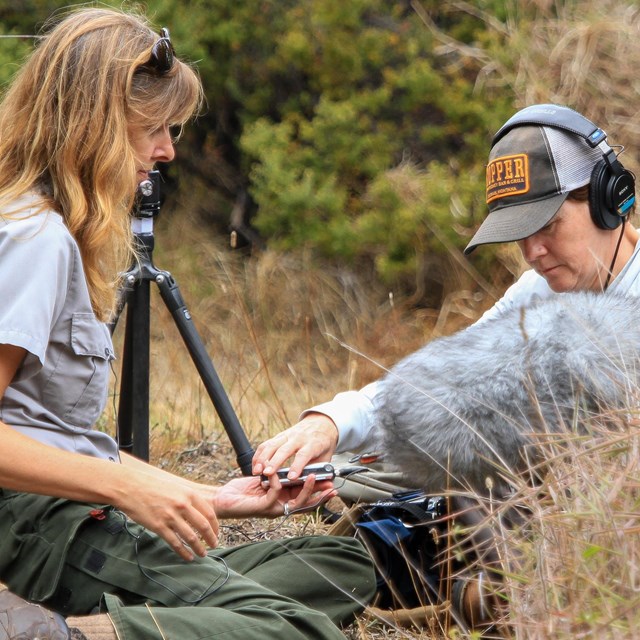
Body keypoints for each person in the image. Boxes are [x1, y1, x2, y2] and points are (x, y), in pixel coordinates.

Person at [0, 7, 376, 640]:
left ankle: (97, 621)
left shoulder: (56, 230)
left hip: (75, 511)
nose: (167, 150)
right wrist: (126, 492)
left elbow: (50, 434)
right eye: (155, 128)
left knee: (339, 567)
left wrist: (212, 501)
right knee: (296, 628)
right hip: (43, 527)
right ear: (98, 124)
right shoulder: (35, 237)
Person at [252, 102, 640, 496]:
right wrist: (330, 422)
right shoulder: (535, 294)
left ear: (610, 200)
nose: (532, 251)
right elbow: (438, 383)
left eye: (547, 225)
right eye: (520, 233)